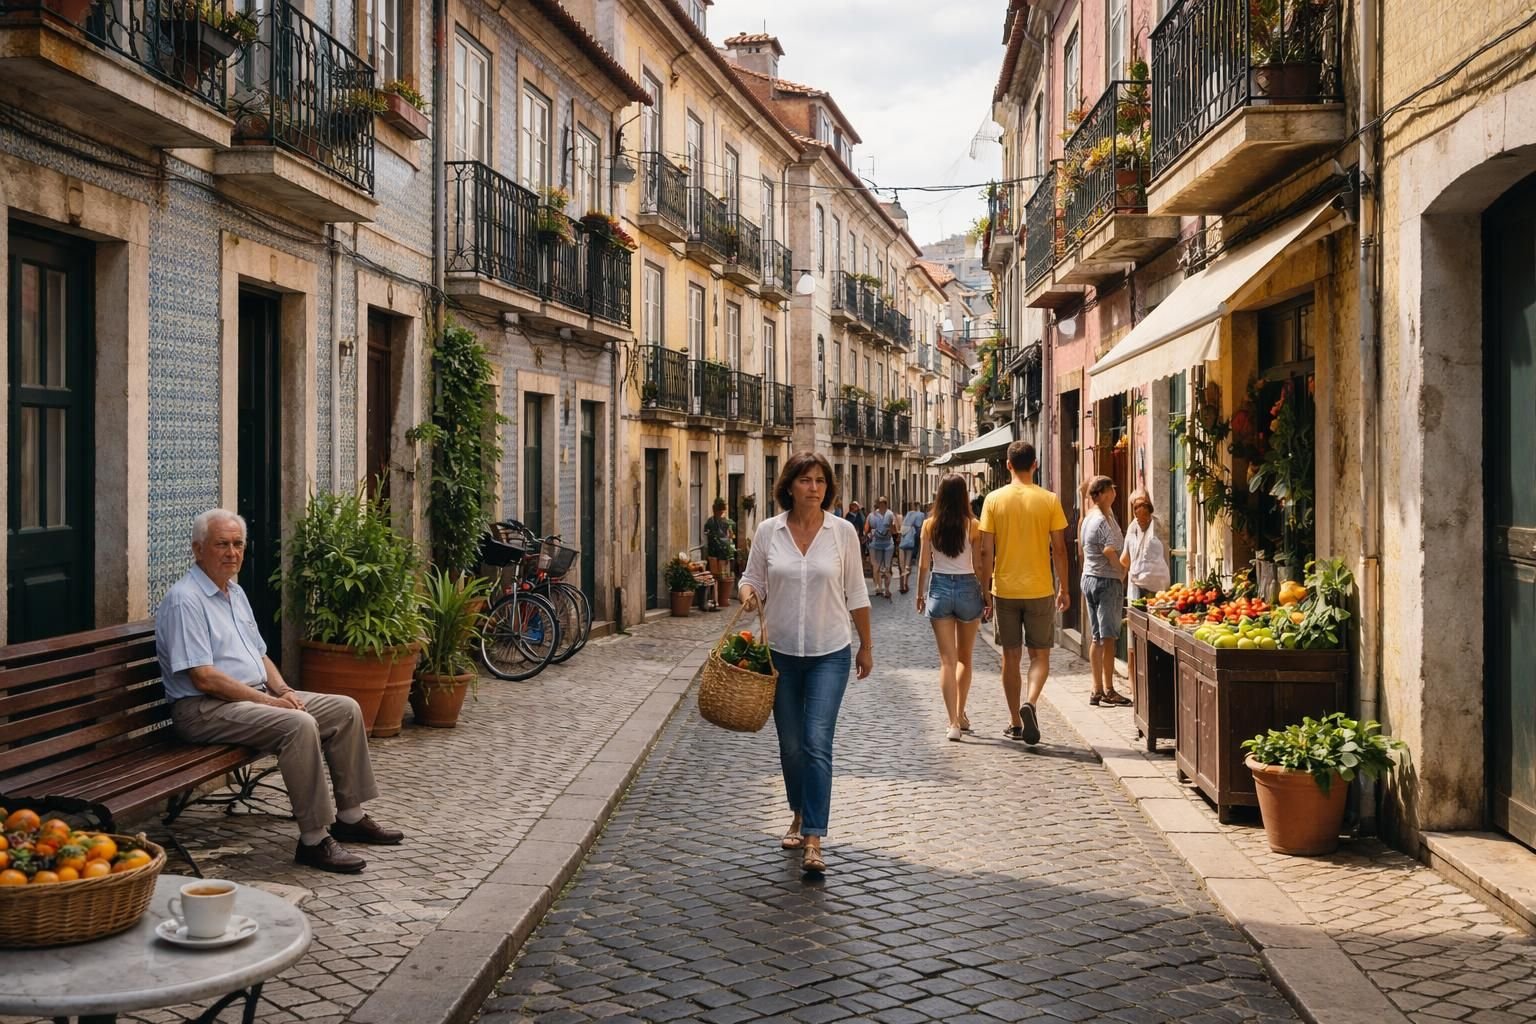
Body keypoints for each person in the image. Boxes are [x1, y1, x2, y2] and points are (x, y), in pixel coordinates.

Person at [155, 509, 403, 874]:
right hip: (202, 709)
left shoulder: (234, 593)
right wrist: (273, 703)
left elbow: (260, 654)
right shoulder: (185, 599)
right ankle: (314, 840)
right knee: (298, 724)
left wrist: (284, 689)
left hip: (247, 700)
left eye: (238, 544)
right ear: (197, 549)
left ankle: (350, 816)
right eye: (222, 544)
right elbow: (204, 678)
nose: (232, 552)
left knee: (345, 708)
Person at [739, 452, 873, 876]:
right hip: (779, 654)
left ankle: (814, 836)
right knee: (791, 746)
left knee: (817, 742)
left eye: (819, 481)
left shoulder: (843, 533)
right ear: (789, 486)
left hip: (829, 652)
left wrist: (866, 646)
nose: (813, 488)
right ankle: (798, 811)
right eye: (805, 480)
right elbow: (751, 578)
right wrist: (747, 594)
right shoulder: (768, 531)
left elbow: (857, 592)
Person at [977, 442, 1069, 744]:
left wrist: (985, 588)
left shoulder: (993, 500)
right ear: (1035, 465)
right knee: (1040, 656)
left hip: (1004, 588)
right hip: (1040, 587)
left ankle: (1015, 721)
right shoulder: (1049, 500)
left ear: (1007, 465)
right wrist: (1064, 587)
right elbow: (1059, 549)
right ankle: (1030, 701)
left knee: (1010, 657)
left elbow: (985, 548)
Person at [915, 474, 990, 741]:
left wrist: (920, 593)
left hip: (940, 588)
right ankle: (960, 712)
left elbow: (924, 563)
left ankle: (953, 724)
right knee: (964, 659)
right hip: (968, 587)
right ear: (963, 496)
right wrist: (986, 595)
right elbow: (980, 565)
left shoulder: (929, 525)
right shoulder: (973, 525)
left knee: (946, 660)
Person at [1081, 475, 1131, 707]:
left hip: (1090, 578)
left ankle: (1096, 689)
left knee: (1097, 637)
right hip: (1106, 581)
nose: (1114, 493)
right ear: (1101, 494)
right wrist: (1121, 572)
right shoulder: (1102, 520)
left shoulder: (1089, 518)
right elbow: (1110, 551)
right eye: (1111, 489)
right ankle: (1109, 689)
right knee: (1108, 637)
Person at [1121, 491, 1171, 600]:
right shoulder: (1135, 527)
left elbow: (1125, 560)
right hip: (1153, 586)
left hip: (1155, 586)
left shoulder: (1156, 525)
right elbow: (1125, 559)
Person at [703, 498, 736, 606]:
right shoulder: (714, 522)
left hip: (720, 552)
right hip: (716, 552)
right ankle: (715, 600)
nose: (720, 513)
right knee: (716, 577)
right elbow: (730, 536)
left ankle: (717, 600)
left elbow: (730, 535)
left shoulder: (722, 522)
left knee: (719, 577)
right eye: (720, 511)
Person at [864, 496, 898, 599]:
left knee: (884, 567)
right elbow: (866, 530)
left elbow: (895, 531)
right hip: (877, 544)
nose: (883, 505)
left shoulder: (889, 515)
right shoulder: (874, 515)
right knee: (878, 567)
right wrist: (869, 533)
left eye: (884, 503)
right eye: (882, 503)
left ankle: (884, 588)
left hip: (886, 544)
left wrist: (891, 527)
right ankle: (879, 588)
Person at [898, 500, 927, 594]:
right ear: (918, 506)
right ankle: (906, 582)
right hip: (911, 540)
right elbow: (919, 527)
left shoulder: (907, 515)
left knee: (901, 564)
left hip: (902, 539)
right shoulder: (920, 515)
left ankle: (901, 585)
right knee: (907, 563)